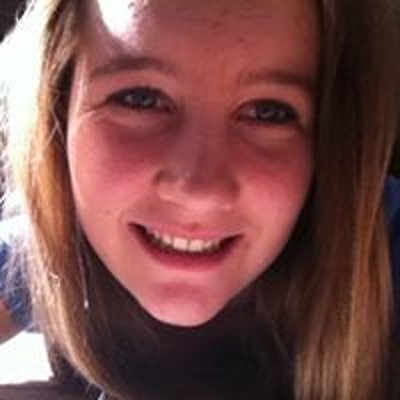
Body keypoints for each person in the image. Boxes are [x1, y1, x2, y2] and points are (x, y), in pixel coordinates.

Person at [0, 0, 399, 399]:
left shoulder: (384, 246)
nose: (199, 192)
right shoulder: (50, 251)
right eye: (140, 98)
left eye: (268, 111)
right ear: (57, 108)